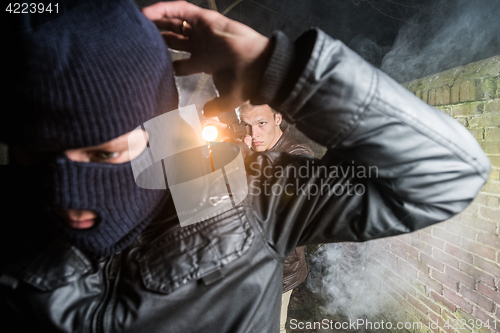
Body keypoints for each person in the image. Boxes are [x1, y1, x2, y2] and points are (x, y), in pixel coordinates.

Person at [0, 1, 490, 333]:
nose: (67, 195)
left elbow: (447, 173)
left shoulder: (249, 194)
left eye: (106, 153)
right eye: (35, 154)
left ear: (157, 126)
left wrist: (277, 67)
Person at [239, 102, 313, 333]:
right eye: (248, 126)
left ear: (278, 119)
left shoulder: (300, 154)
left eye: (262, 123)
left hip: (278, 268)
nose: (254, 134)